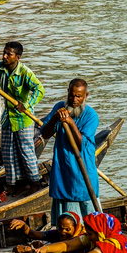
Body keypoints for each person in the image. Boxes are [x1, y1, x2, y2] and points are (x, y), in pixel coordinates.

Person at [0, 41, 45, 192]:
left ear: (17, 57)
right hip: (8, 117)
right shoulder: (0, 67)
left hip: (23, 117)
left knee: (25, 150)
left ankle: (35, 181)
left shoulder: (24, 72)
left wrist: (26, 105)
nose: (4, 56)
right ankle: (13, 183)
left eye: (8, 54)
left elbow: (39, 90)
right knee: (8, 151)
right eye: (4, 53)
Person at [40, 79, 99, 221]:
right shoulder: (60, 107)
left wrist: (71, 123)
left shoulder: (91, 116)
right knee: (64, 213)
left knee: (86, 211)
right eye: (71, 95)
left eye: (79, 96)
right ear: (67, 93)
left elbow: (81, 145)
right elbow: (45, 133)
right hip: (62, 168)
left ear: (86, 96)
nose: (74, 99)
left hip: (81, 169)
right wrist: (55, 118)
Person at [10, 211, 83, 243]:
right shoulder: (56, 234)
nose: (63, 232)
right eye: (60, 228)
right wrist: (24, 226)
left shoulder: (80, 239)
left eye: (67, 229)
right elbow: (32, 234)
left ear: (75, 227)